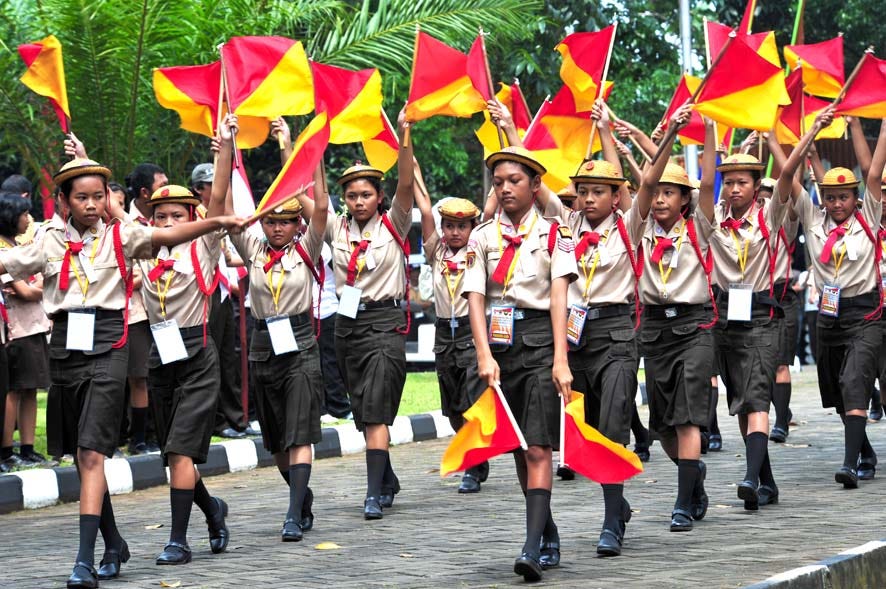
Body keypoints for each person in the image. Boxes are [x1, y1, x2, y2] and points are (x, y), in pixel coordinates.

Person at [0, 157, 247, 589]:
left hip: (111, 347)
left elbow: (167, 235)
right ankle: (114, 543)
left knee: (93, 452)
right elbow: (11, 263)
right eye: (81, 197)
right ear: (64, 201)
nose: (91, 204)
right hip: (66, 351)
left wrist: (216, 222)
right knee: (83, 454)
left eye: (99, 196)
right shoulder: (48, 240)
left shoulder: (122, 235)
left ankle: (84, 561)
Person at [464, 145, 576, 581]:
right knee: (516, 445)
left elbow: (559, 298)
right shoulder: (481, 237)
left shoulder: (553, 234)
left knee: (538, 445)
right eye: (499, 182)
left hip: (541, 342)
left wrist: (561, 359)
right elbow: (475, 297)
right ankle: (546, 531)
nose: (506, 189)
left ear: (535, 185)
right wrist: (483, 355)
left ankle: (530, 548)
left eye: (514, 181)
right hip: (501, 344)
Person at [136, 117, 245, 565]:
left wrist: (226, 147)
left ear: (192, 218)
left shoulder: (203, 245)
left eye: (177, 215)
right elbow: (107, 213)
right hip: (160, 358)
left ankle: (177, 541)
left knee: (181, 450)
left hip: (198, 356)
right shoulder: (142, 249)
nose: (167, 222)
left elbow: (217, 199)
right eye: (160, 216)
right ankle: (213, 511)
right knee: (173, 455)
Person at [222, 121, 328, 543]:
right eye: (271, 222)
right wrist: (226, 150)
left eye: (286, 221)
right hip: (263, 344)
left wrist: (295, 150)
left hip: (300, 344)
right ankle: (301, 497)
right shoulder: (253, 249)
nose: (278, 228)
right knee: (278, 440)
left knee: (300, 431)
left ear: (297, 224)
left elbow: (320, 206)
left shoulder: (307, 247)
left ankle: (292, 515)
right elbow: (224, 211)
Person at [788, 111, 886, 488]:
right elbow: (791, 176)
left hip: (865, 314)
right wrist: (802, 139)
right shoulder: (814, 221)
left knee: (853, 381)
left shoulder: (868, 219)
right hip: (828, 316)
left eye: (844, 197)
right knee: (837, 391)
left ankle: (849, 465)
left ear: (856, 198)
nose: (836, 203)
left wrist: (865, 125)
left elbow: (872, 172)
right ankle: (865, 451)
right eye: (830, 197)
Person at [328, 109, 412, 520]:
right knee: (363, 410)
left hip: (384, 324)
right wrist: (293, 148)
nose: (358, 202)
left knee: (376, 406)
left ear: (379, 196)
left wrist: (404, 137)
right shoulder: (336, 228)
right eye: (351, 195)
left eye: (365, 194)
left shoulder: (394, 223)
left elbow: (407, 184)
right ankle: (387, 478)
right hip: (347, 327)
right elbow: (310, 196)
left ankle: (373, 493)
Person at [706, 133, 792, 510]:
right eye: (729, 182)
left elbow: (788, 174)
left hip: (761, 318)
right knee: (742, 402)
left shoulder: (769, 215)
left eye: (742, 182)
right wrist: (711, 131)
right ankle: (766, 482)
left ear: (757, 186)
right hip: (725, 320)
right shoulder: (712, 220)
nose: (734, 189)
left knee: (757, 397)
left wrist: (774, 138)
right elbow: (703, 183)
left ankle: (750, 477)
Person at [413, 167, 487, 493]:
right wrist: (413, 163)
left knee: (473, 402)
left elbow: (493, 206)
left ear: (474, 227)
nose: (455, 232)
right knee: (454, 409)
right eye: (450, 226)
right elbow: (424, 206)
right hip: (444, 335)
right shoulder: (436, 251)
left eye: (462, 226)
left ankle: (472, 465)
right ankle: (476, 455)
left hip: (472, 333)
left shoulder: (480, 249)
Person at [192, 162, 249, 439]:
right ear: (198, 189)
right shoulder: (195, 217)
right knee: (211, 359)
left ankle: (236, 419)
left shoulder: (219, 216)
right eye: (213, 184)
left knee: (229, 357)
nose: (219, 189)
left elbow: (227, 256)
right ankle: (216, 420)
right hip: (206, 290)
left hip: (224, 293)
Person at [0, 192, 51, 467]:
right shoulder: (3, 252)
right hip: (17, 329)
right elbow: (27, 291)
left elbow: (39, 282)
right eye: (23, 214)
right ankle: (7, 449)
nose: (28, 219)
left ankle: (28, 447)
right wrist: (40, 285)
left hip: (35, 325)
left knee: (31, 388)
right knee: (14, 389)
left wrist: (37, 285)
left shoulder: (19, 246)